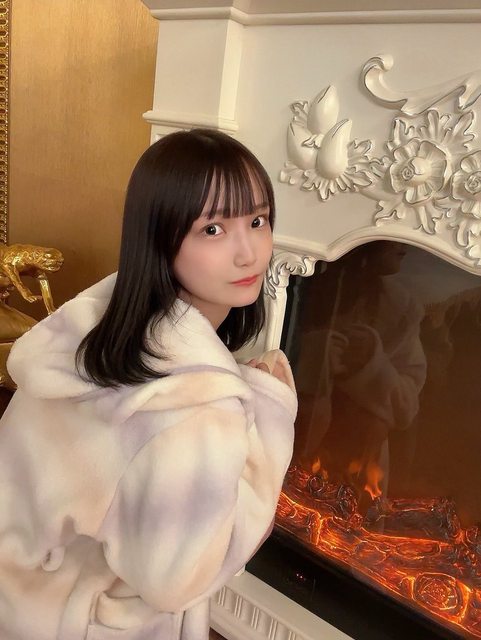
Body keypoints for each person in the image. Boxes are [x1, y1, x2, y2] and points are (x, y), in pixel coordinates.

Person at [0, 130, 297, 640]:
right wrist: (269, 424)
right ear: (160, 236)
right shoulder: (196, 408)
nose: (249, 253)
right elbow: (180, 582)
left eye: (257, 220)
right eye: (212, 230)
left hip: (20, 594)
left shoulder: (95, 331)